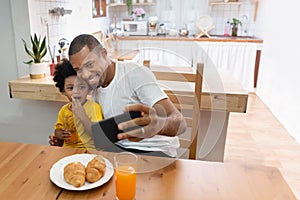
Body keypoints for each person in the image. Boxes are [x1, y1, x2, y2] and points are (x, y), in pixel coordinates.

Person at [65, 34, 187, 157]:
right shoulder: (96, 87)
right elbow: (105, 135)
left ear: (103, 54)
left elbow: (180, 124)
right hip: (121, 150)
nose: (85, 75)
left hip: (155, 151)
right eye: (78, 70)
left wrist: (158, 126)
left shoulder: (134, 73)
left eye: (89, 64)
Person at [50, 59, 103, 149]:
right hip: (67, 150)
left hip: (88, 151)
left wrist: (82, 115)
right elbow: (57, 130)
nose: (76, 92)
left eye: (81, 87)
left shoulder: (94, 107)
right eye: (70, 88)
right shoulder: (64, 110)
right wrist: (60, 134)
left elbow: (97, 135)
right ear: (63, 91)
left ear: (89, 88)